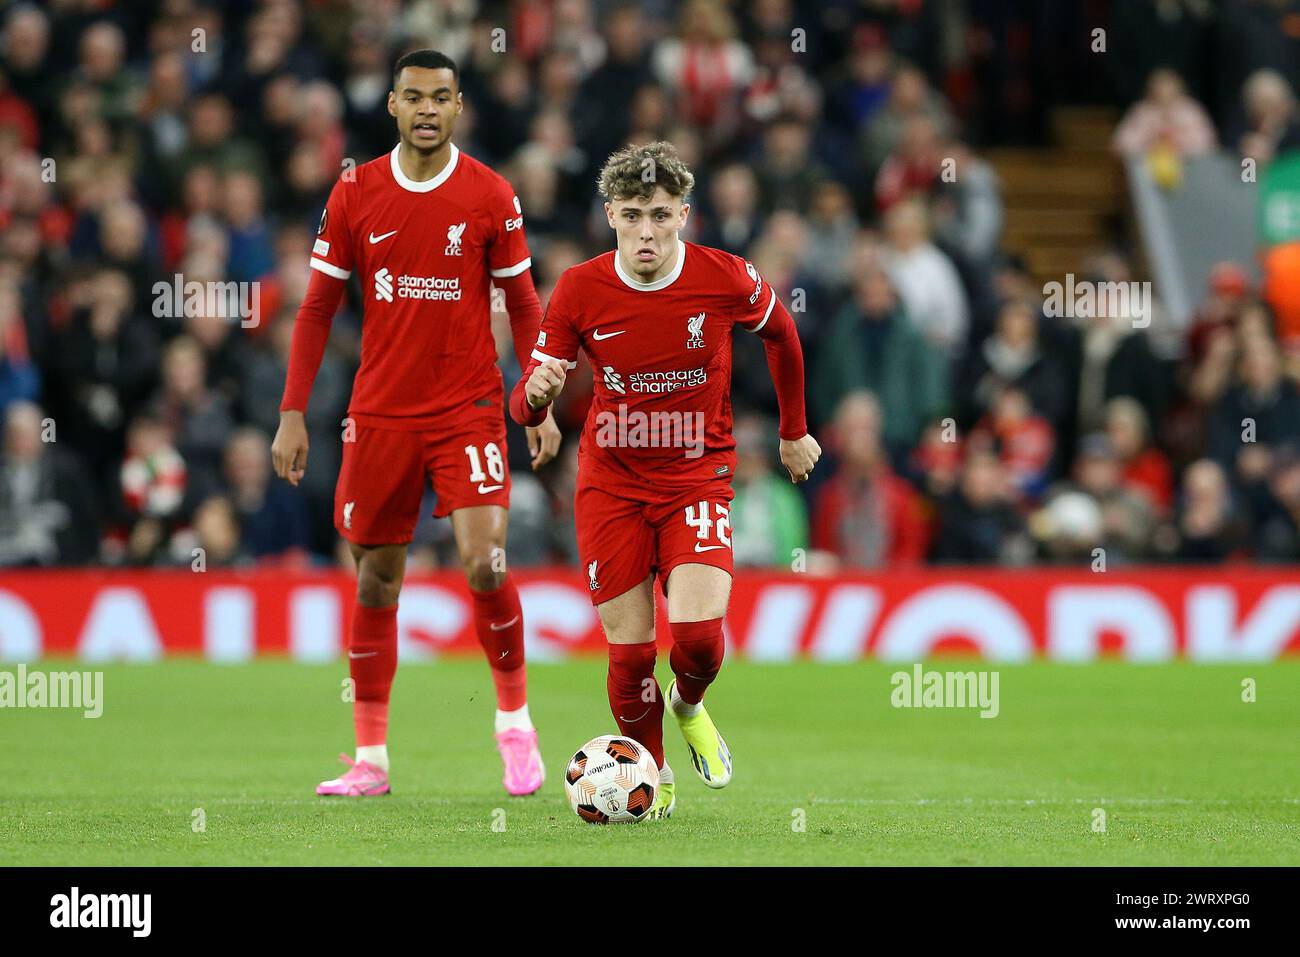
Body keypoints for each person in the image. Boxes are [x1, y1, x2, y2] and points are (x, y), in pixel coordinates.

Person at [271, 50, 561, 799]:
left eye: (440, 97)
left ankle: (515, 726)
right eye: (413, 98)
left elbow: (524, 303)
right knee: (377, 575)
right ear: (393, 106)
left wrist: (535, 395)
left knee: (484, 561)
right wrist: (293, 412)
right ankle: (371, 758)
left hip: (467, 406)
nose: (427, 109)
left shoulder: (491, 195)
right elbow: (316, 309)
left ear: (459, 105)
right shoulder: (355, 193)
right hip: (380, 413)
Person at [509, 141, 819, 819]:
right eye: (631, 215)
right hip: (610, 483)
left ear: (682, 213)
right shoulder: (580, 289)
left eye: (658, 214)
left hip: (696, 478)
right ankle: (652, 774)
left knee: (700, 640)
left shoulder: (723, 275)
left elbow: (784, 335)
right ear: (609, 215)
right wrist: (536, 394)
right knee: (630, 656)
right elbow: (521, 405)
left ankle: (688, 703)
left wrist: (793, 428)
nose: (646, 231)